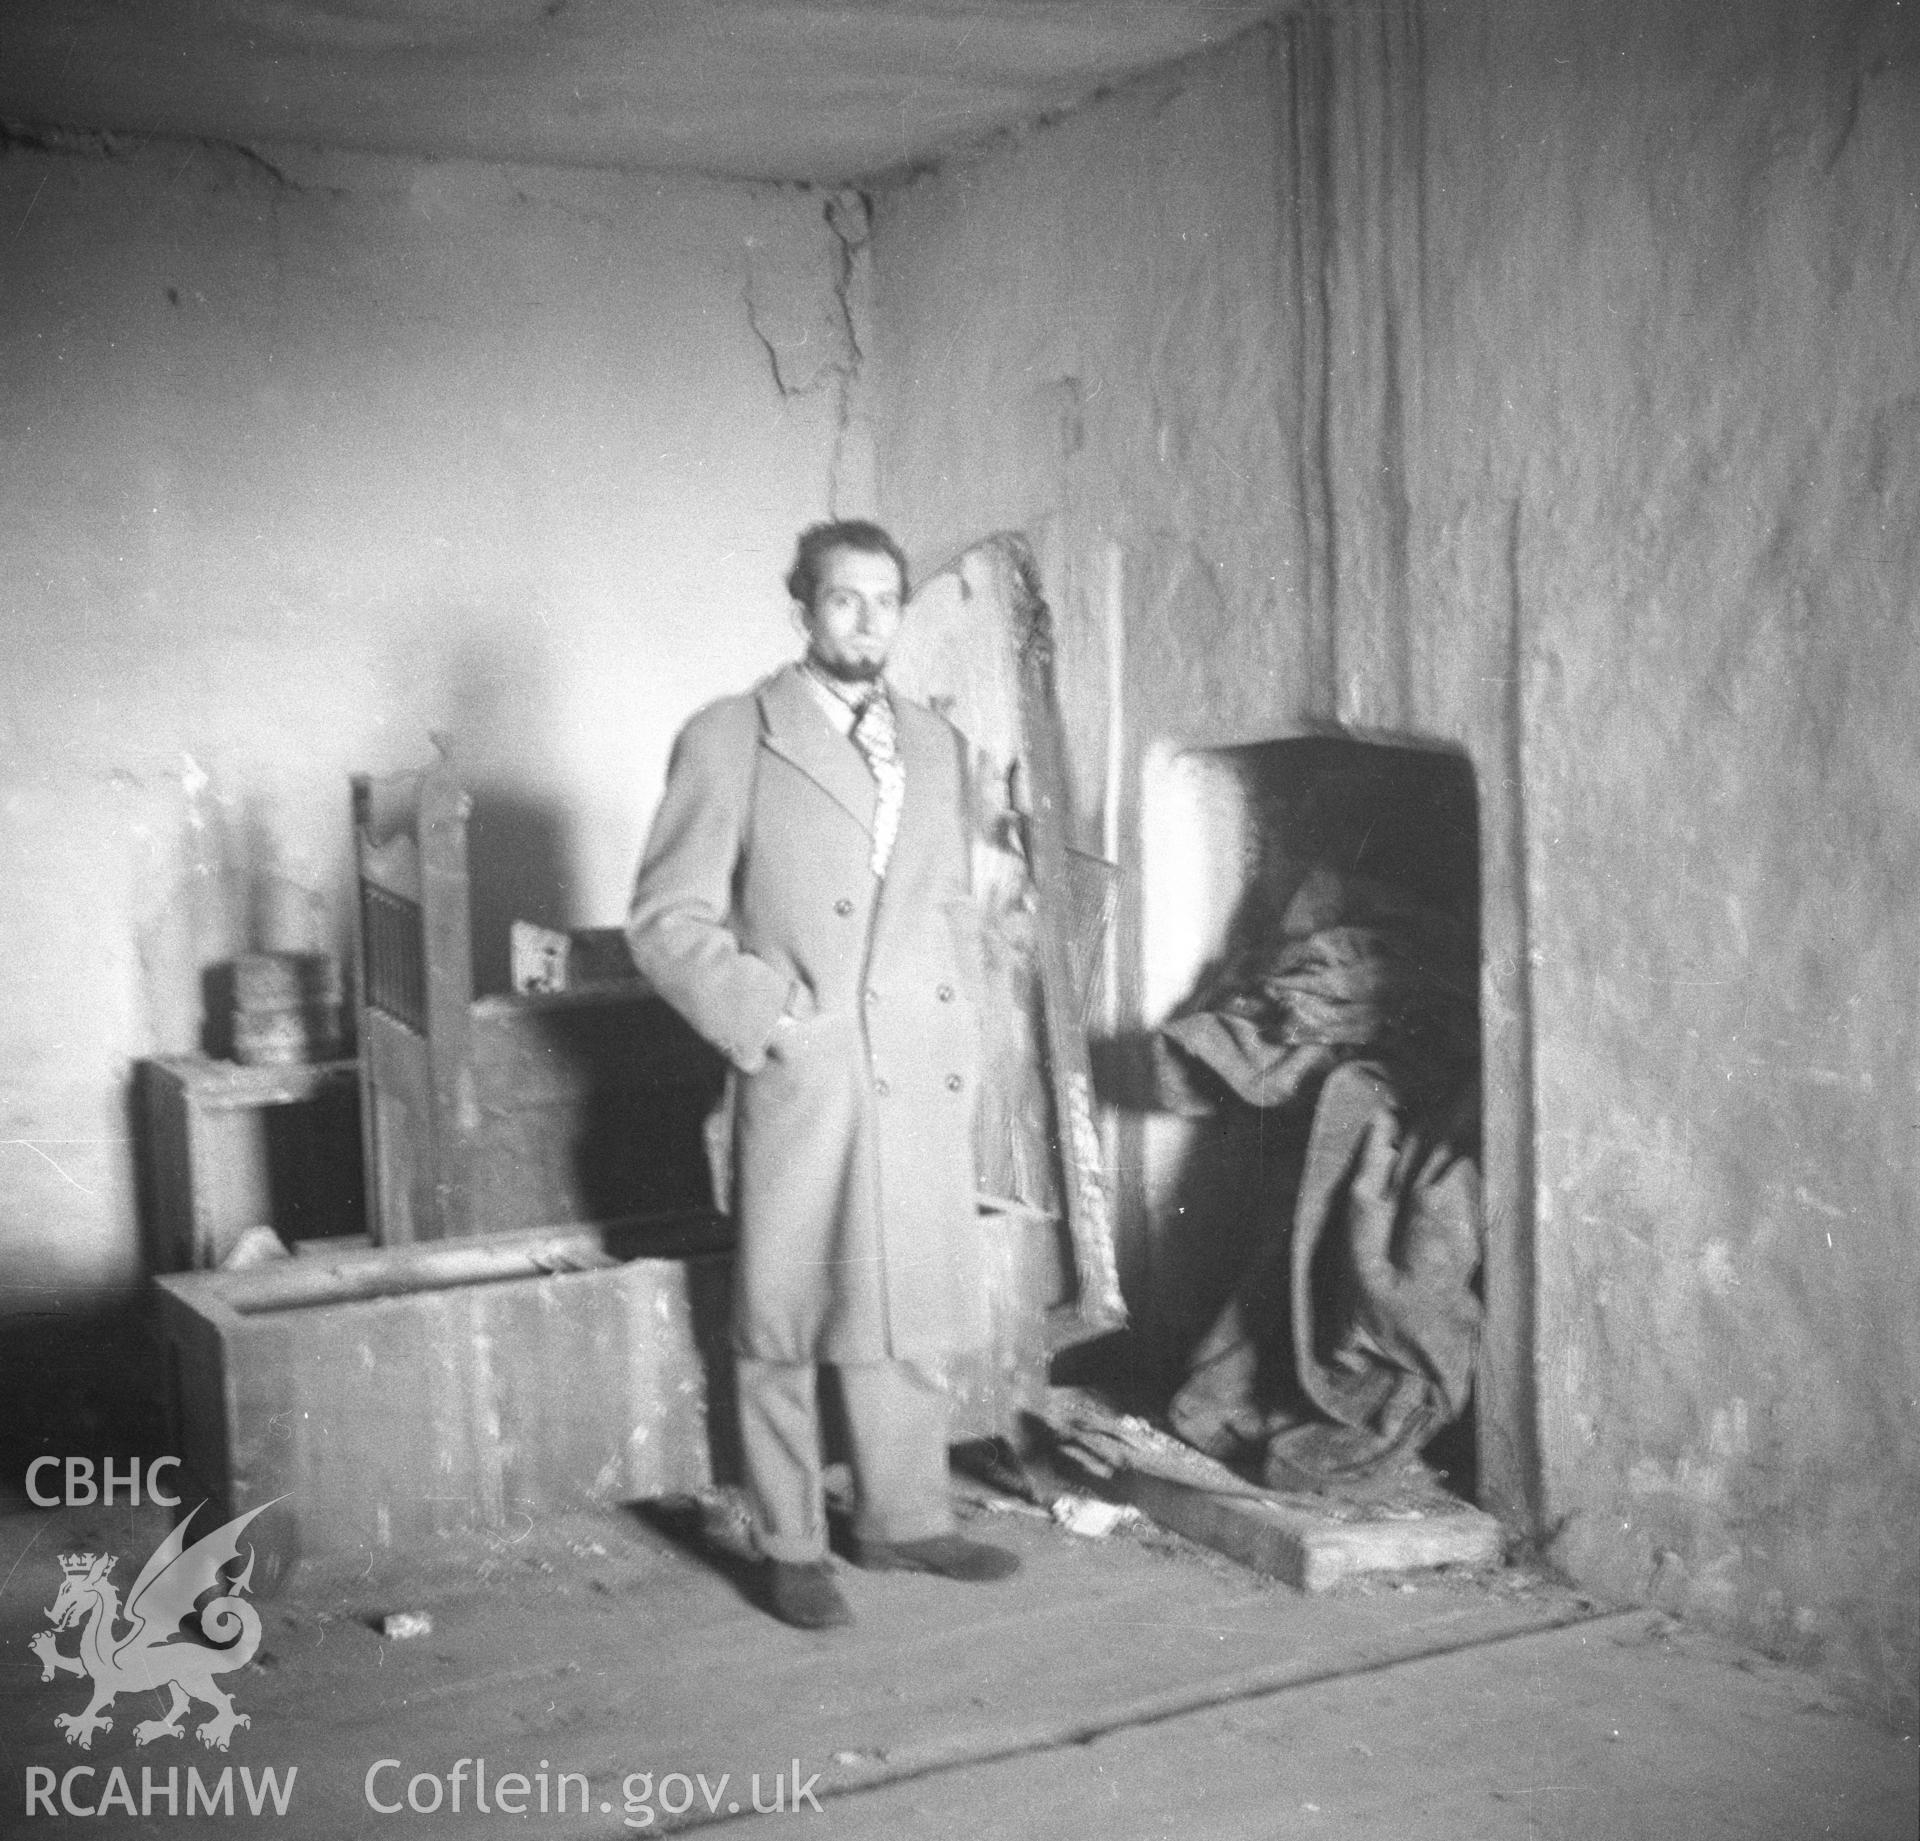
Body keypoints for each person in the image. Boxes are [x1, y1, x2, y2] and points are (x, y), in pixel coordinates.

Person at [627, 519, 1020, 1629]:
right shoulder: (731, 735)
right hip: (809, 1064)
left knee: (910, 1293)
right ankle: (792, 1540)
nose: (865, 620)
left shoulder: (941, 745)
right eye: (842, 599)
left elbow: (944, 904)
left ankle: (905, 1518)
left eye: (885, 600)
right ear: (801, 607)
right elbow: (666, 919)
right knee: (788, 1304)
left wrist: (963, 1026)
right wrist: (771, 1017)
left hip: (917, 1059)